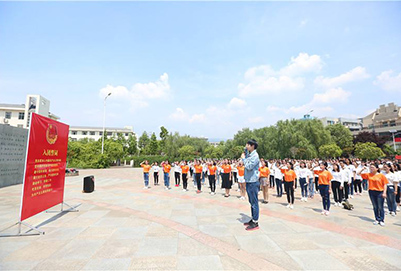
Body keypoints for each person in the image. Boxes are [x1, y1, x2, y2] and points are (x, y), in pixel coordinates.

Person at [241, 139, 260, 231]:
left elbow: (249, 167)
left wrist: (244, 159)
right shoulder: (249, 155)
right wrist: (245, 156)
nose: (246, 146)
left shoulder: (255, 156)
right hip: (249, 180)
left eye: (248, 144)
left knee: (254, 203)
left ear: (252, 146)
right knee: (251, 202)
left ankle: (255, 222)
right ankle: (253, 219)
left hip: (253, 181)